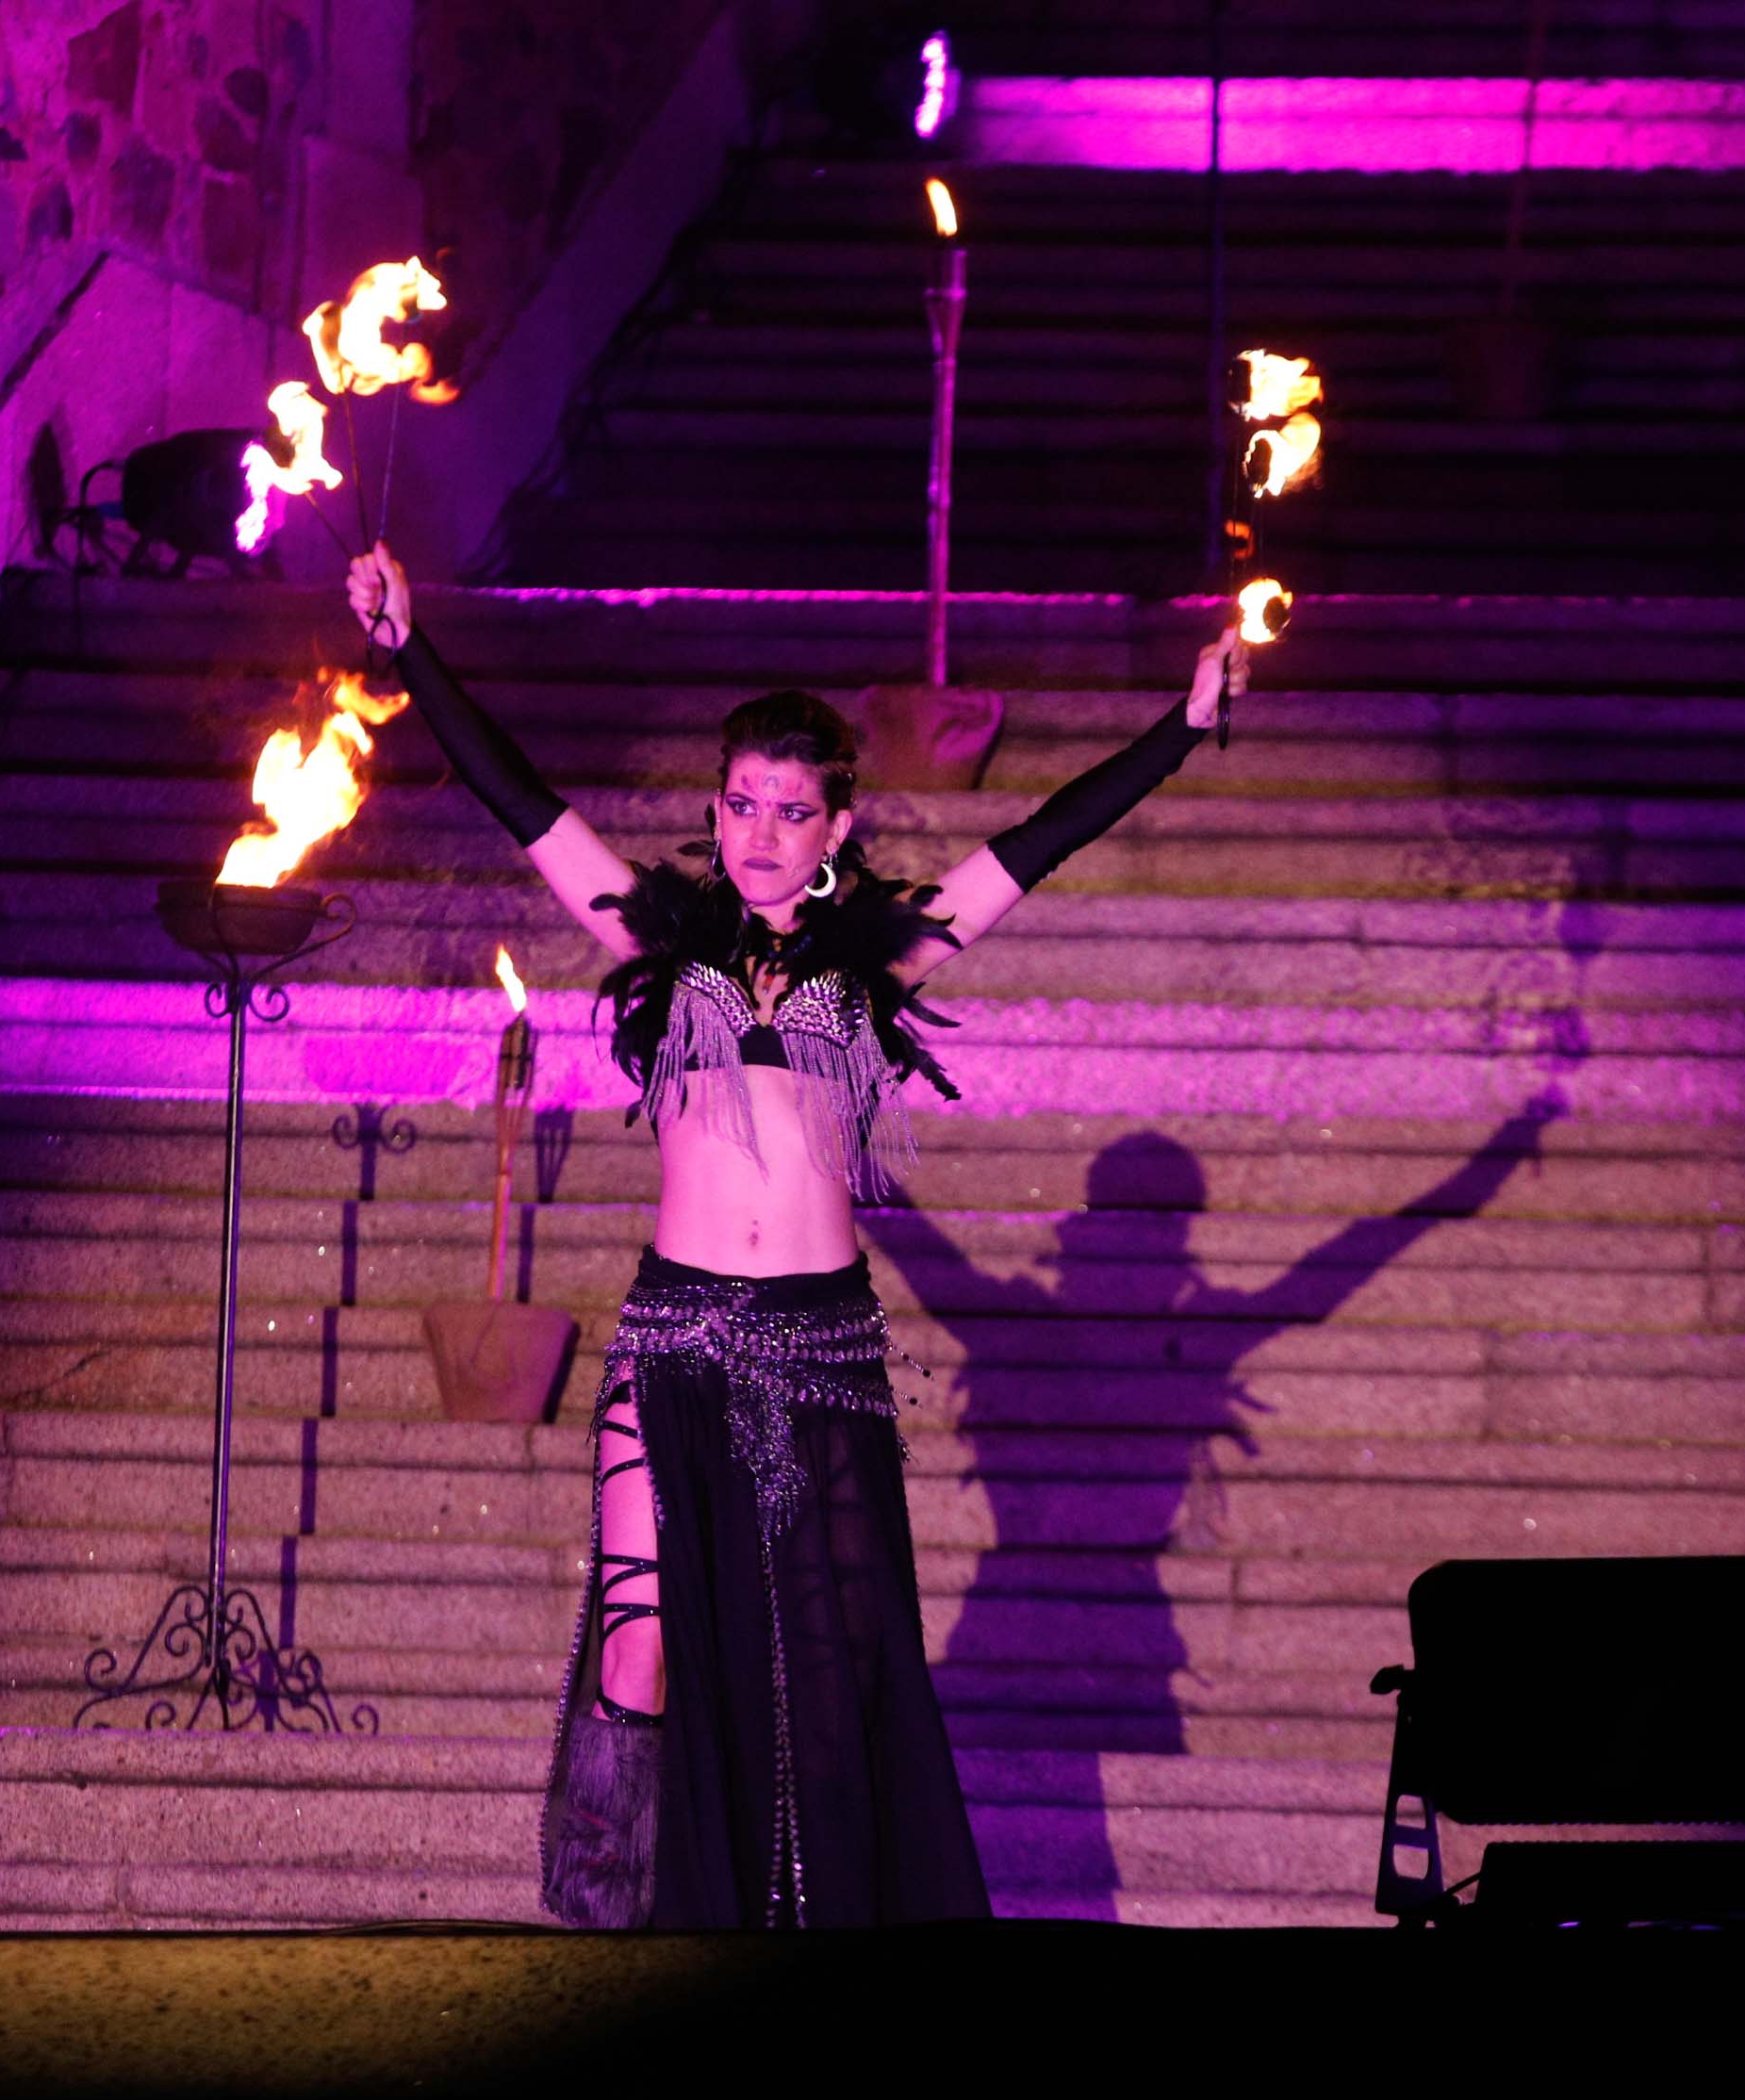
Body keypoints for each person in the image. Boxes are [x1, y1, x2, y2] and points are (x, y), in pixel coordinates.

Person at [345, 543, 1244, 1928]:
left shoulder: (882, 953)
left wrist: (1179, 732)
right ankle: (609, 1922)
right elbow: (516, 797)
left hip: (819, 1349)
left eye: (791, 809)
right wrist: (408, 650)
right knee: (637, 1647)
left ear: (838, 826)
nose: (760, 830)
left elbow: (1041, 843)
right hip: (674, 1336)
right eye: (742, 803)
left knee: (826, 1667)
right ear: (715, 808)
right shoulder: (655, 934)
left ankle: (825, 1928)